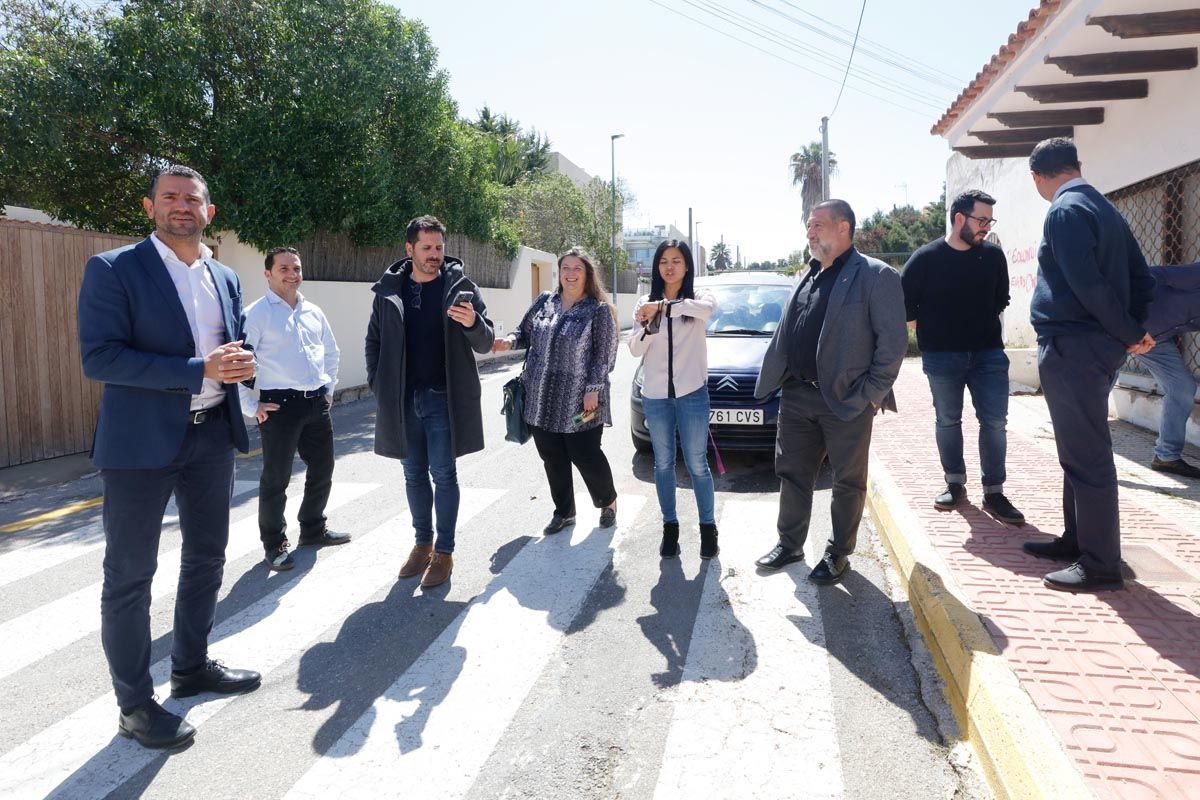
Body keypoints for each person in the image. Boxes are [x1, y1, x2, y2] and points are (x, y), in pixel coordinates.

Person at [78, 165, 262, 750]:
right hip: (139, 446)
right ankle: (134, 706)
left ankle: (190, 666)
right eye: (170, 197)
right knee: (130, 578)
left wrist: (242, 362)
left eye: (193, 199)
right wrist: (197, 371)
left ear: (209, 211)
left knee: (207, 558)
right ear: (150, 206)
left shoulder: (225, 276)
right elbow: (101, 358)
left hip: (210, 437)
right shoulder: (114, 269)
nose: (182, 206)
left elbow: (227, 346)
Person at [1021, 137, 1156, 593]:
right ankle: (1077, 539)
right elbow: (1141, 277)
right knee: (1077, 450)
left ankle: (1100, 563)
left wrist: (1129, 332)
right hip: (1094, 347)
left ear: (1038, 176)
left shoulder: (1063, 211)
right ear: (1077, 165)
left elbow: (1087, 285)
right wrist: (1134, 329)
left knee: (1088, 456)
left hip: (1074, 346)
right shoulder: (1106, 209)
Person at [753, 200, 907, 585]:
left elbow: (893, 343)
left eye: (817, 225)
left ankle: (839, 553)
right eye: (808, 226)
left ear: (844, 228)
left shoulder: (876, 276)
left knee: (847, 482)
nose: (810, 232)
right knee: (793, 474)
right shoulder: (807, 275)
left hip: (847, 401)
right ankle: (790, 544)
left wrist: (870, 395)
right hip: (797, 397)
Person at [365, 215, 495, 588]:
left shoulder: (461, 289)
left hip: (443, 399)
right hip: (403, 401)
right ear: (409, 249)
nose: (435, 254)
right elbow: (373, 341)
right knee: (412, 475)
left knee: (444, 474)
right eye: (427, 247)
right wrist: (379, 384)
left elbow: (485, 342)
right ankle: (422, 544)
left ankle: (445, 552)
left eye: (439, 247)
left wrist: (472, 321)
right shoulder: (389, 290)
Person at [902, 189, 1024, 524]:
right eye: (981, 220)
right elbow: (903, 304)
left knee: (995, 423)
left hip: (989, 355)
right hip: (942, 357)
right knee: (947, 421)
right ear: (959, 218)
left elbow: (1001, 299)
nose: (986, 227)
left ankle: (994, 491)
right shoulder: (925, 259)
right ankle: (955, 484)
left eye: (989, 220)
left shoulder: (994, 257)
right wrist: (936, 331)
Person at [493, 247, 619, 534]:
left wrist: (594, 388)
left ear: (587, 274)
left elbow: (605, 355)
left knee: (584, 453)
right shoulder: (544, 302)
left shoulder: (597, 310)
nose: (571, 274)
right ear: (559, 272)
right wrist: (507, 342)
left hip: (582, 399)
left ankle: (608, 501)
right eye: (566, 268)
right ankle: (564, 512)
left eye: (577, 268)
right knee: (551, 455)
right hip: (541, 397)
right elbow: (522, 333)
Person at [239, 246, 348, 572]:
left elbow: (331, 351)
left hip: (316, 403)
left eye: (296, 268)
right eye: (284, 268)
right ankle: (274, 544)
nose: (292, 274)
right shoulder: (255, 314)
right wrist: (251, 405)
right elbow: (241, 364)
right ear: (268, 273)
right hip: (279, 406)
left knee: (323, 469)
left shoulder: (313, 311)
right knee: (276, 478)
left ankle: (313, 529)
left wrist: (327, 389)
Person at [628, 240, 719, 558]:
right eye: (664, 261)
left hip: (692, 394)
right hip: (656, 397)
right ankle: (670, 527)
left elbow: (708, 311)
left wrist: (666, 307)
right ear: (657, 267)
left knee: (697, 463)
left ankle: (708, 528)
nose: (669, 266)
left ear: (687, 266)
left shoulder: (698, 299)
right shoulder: (644, 301)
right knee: (663, 464)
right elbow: (635, 349)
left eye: (676, 260)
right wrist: (649, 324)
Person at [1135, 263, 1200, 478]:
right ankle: (1082, 453)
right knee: (1098, 389)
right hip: (1121, 329)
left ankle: (1166, 457)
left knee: (1182, 387)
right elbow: (1152, 274)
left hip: (1156, 341)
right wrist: (1125, 321)